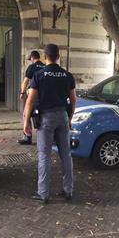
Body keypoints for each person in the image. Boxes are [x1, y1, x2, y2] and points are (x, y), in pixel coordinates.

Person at [23, 44, 77, 204]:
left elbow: (30, 101)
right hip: (62, 116)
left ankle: (43, 193)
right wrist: (70, 118)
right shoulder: (67, 75)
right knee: (66, 155)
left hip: (46, 118)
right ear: (58, 57)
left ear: (45, 57)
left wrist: (26, 122)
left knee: (44, 156)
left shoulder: (39, 75)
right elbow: (73, 100)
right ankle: (68, 191)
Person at [18, 50, 45, 145]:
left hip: (34, 94)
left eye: (31, 59)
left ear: (32, 58)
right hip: (45, 95)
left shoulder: (32, 67)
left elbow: (25, 81)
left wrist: (22, 92)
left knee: (26, 113)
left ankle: (27, 137)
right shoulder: (45, 67)